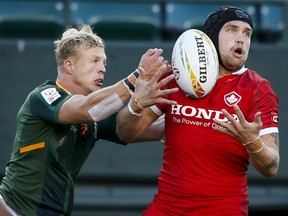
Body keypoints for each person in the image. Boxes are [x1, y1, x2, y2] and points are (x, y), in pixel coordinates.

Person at [116, 6, 280, 215]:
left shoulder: (258, 89)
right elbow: (125, 132)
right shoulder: (175, 78)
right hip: (168, 206)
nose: (241, 39)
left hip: (223, 209)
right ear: (210, 38)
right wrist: (136, 104)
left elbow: (271, 167)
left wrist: (253, 141)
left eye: (247, 33)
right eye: (232, 30)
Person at [0, 24, 178, 216]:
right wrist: (137, 77)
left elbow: (133, 130)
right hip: (13, 208)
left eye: (104, 63)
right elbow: (89, 109)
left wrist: (171, 106)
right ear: (69, 65)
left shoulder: (98, 113)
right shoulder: (44, 95)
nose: (102, 69)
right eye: (94, 61)